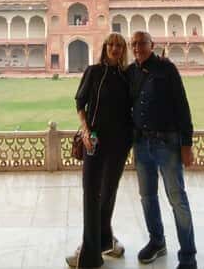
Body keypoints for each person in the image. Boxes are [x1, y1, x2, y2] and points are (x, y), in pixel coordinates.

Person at [126, 30, 197, 269]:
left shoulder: (167, 69)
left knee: (177, 199)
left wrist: (187, 144)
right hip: (141, 144)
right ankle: (157, 241)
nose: (137, 48)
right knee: (147, 197)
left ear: (152, 44)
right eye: (134, 44)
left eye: (142, 43)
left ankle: (188, 256)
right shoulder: (131, 72)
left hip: (167, 143)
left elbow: (182, 106)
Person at [67, 33, 132, 268]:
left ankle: (103, 241)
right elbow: (80, 102)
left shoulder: (126, 76)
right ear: (105, 48)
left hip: (119, 143)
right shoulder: (94, 72)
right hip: (94, 141)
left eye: (119, 45)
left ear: (123, 50)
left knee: (108, 193)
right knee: (91, 194)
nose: (115, 48)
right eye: (111, 45)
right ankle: (89, 253)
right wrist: (85, 130)